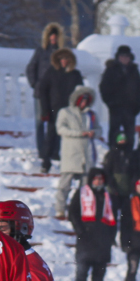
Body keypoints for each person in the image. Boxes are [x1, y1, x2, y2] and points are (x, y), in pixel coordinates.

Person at [68, 169, 118, 281]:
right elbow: (72, 213)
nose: (98, 181)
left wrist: (111, 236)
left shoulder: (108, 196)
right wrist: (80, 230)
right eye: (96, 178)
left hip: (103, 239)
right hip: (86, 237)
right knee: (82, 270)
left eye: (100, 179)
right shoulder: (81, 193)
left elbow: (114, 217)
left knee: (99, 271)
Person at [54, 85, 100, 219]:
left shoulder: (91, 115)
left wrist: (93, 133)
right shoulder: (65, 112)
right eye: (82, 100)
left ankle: (80, 210)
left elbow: (99, 130)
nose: (84, 103)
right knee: (65, 185)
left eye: (87, 100)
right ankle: (60, 209)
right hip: (71, 155)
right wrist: (79, 133)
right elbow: (60, 129)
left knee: (85, 187)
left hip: (86, 156)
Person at [39, 48, 85, 174]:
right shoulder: (51, 72)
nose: (64, 61)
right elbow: (42, 90)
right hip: (54, 109)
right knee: (50, 136)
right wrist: (45, 109)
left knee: (70, 138)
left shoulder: (75, 74)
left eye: (66, 59)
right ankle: (46, 162)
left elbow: (81, 92)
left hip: (71, 111)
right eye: (61, 59)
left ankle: (71, 165)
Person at [26, 23, 65, 165]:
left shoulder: (62, 53)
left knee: (55, 123)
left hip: (56, 94)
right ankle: (42, 150)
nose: (53, 39)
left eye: (55, 37)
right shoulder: (40, 52)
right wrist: (35, 84)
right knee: (40, 122)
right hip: (40, 93)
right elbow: (31, 68)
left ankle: (54, 151)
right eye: (51, 37)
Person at [98, 45, 140, 151]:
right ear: (118, 57)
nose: (124, 58)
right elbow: (104, 87)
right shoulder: (111, 70)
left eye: (126, 56)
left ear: (130, 57)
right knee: (114, 133)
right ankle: (113, 155)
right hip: (116, 108)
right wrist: (110, 103)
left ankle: (128, 156)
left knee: (130, 134)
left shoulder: (134, 70)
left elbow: (139, 89)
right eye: (122, 56)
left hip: (130, 108)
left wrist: (138, 105)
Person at [101, 132, 134, 206]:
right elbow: (107, 171)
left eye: (124, 140)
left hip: (126, 188)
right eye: (120, 140)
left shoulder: (131, 154)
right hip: (114, 188)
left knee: (125, 211)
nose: (122, 142)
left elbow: (134, 170)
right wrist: (111, 185)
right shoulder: (111, 154)